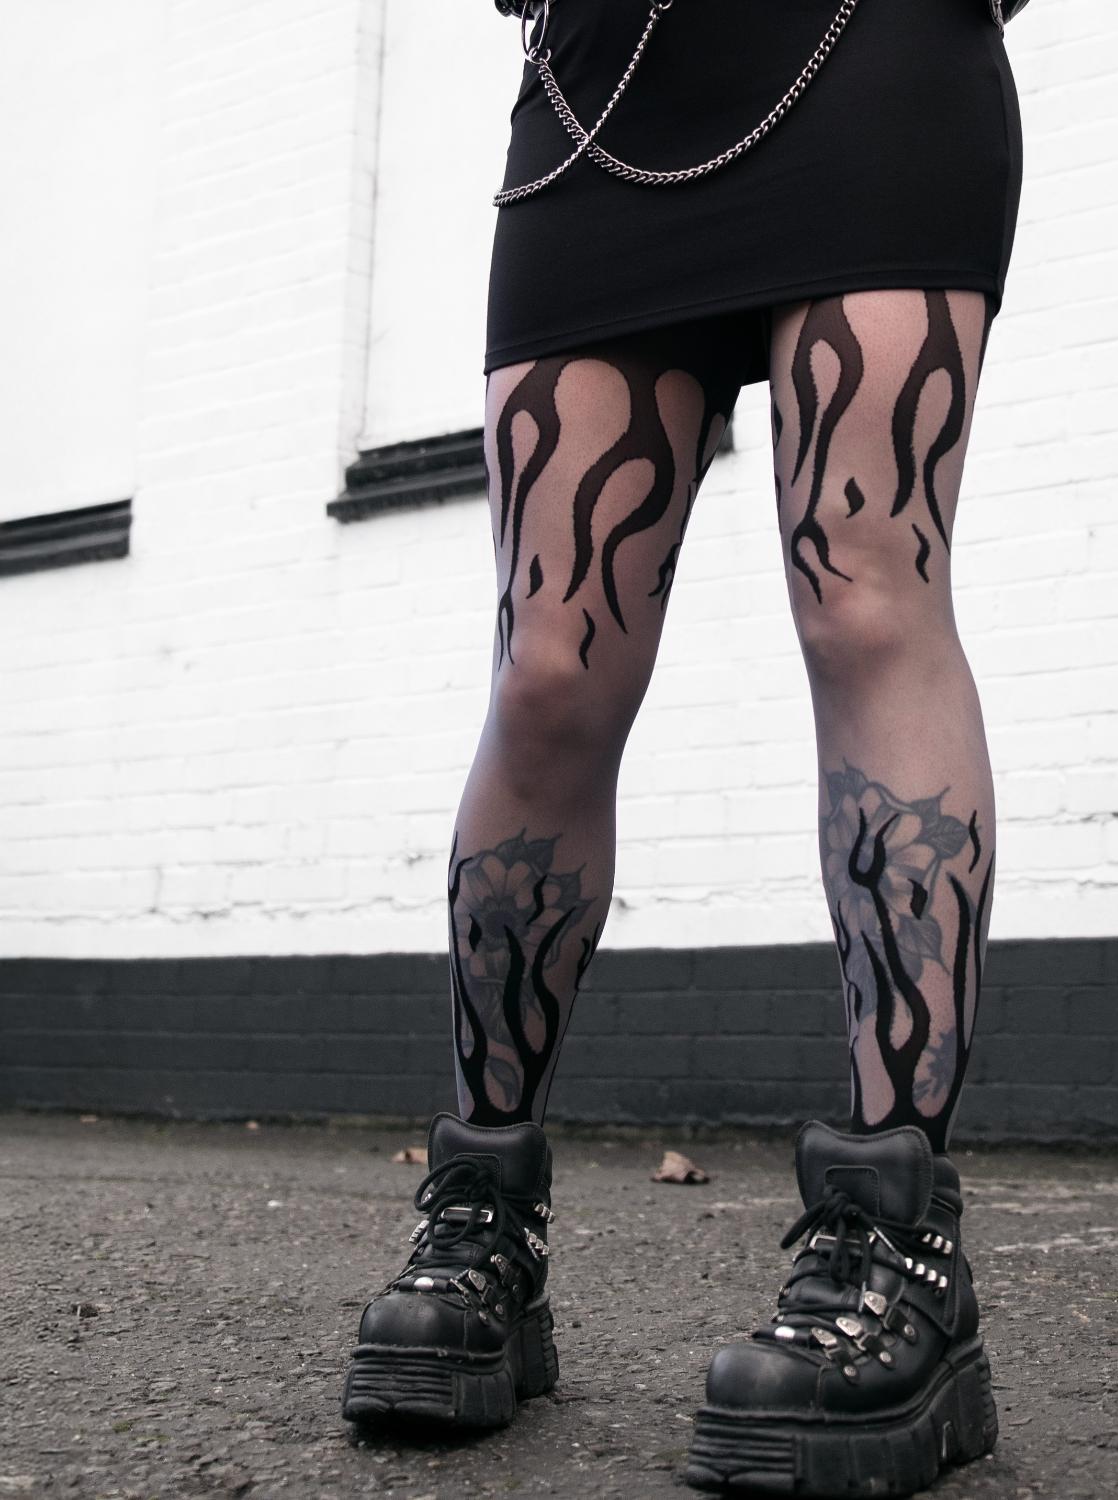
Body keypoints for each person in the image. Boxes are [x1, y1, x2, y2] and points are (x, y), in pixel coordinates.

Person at [342, 0, 1025, 1493]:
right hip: (603, 98)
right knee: (550, 670)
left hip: (872, 63)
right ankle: (483, 1221)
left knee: (867, 598)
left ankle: (900, 1251)